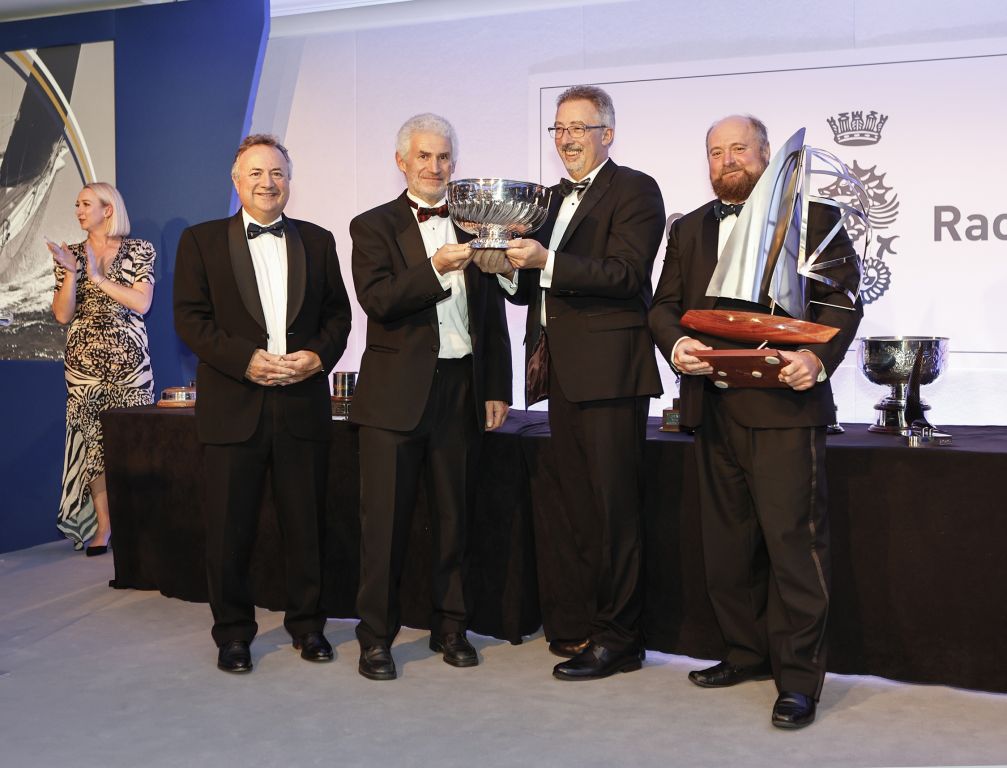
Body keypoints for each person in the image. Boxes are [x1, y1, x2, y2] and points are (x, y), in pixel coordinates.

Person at [648, 114, 863, 728]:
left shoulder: (814, 217)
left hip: (786, 412)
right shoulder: (687, 228)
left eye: (738, 149)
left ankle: (798, 681)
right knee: (728, 547)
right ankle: (744, 653)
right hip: (712, 409)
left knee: (795, 548)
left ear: (767, 155)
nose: (726, 162)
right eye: (715, 153)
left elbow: (843, 300)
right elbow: (664, 307)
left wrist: (817, 360)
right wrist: (675, 346)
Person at [174, 134, 352, 674]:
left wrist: (316, 357)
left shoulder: (319, 241)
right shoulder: (201, 242)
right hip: (234, 406)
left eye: (276, 173)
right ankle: (232, 633)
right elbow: (190, 320)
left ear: (289, 181)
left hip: (301, 406)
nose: (267, 182)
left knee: (307, 524)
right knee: (230, 530)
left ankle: (309, 626)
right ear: (237, 182)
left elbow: (338, 318)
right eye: (255, 173)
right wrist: (244, 359)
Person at [504, 86, 665, 680]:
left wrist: (547, 261)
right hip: (562, 372)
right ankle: (588, 625)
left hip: (611, 374)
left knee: (614, 511)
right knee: (579, 509)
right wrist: (504, 270)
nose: (567, 138)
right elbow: (533, 286)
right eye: (559, 128)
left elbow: (626, 274)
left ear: (608, 133)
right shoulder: (544, 199)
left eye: (579, 127)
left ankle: (620, 639)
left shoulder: (636, 189)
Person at [349, 113, 512, 681]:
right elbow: (380, 300)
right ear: (402, 162)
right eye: (424, 157)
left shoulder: (476, 222)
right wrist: (434, 268)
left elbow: (492, 314)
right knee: (384, 527)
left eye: (444, 157)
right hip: (393, 397)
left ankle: (452, 628)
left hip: (463, 386)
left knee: (455, 519)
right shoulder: (370, 225)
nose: (434, 167)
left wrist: (496, 386)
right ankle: (375, 639)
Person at [47, 183, 155, 556]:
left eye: (86, 204)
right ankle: (104, 526)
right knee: (93, 444)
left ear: (108, 210)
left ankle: (139, 521)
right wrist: (73, 274)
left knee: (134, 441)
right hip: (83, 368)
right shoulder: (71, 254)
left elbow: (141, 303)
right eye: (76, 204)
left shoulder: (139, 250)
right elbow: (62, 314)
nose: (78, 210)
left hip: (130, 365)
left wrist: (99, 279)